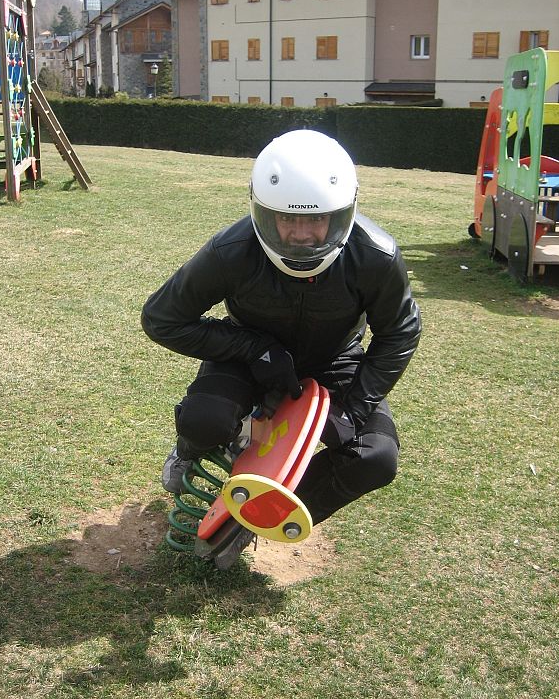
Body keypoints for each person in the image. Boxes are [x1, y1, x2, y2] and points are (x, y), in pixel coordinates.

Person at [141, 130, 421, 569]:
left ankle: (258, 516)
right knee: (205, 420)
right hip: (248, 356)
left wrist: (352, 409)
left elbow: (401, 331)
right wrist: (253, 348)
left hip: (336, 360)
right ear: (262, 213)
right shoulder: (231, 250)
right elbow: (161, 317)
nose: (302, 236)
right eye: (287, 220)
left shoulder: (376, 256)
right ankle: (188, 451)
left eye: (316, 221)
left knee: (376, 458)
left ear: (343, 214)